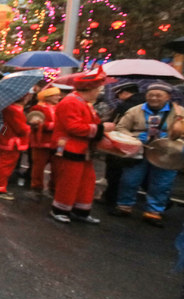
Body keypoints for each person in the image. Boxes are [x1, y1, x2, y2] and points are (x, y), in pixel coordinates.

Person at [113, 82, 183, 227]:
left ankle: (153, 212)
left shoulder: (179, 113)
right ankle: (124, 206)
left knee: (162, 183)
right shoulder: (135, 110)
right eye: (150, 95)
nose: (154, 98)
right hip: (140, 151)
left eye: (158, 95)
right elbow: (121, 128)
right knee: (130, 180)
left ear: (168, 97)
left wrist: (172, 139)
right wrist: (134, 137)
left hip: (167, 154)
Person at [50, 68, 113, 224]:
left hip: (82, 149)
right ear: (90, 89)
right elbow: (73, 127)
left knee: (86, 181)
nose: (99, 92)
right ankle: (60, 209)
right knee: (69, 180)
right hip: (69, 147)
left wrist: (100, 127)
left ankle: (80, 210)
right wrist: (101, 128)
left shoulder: (84, 103)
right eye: (98, 89)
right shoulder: (71, 102)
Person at [101, 82, 145, 206]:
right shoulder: (146, 104)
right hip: (143, 144)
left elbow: (116, 125)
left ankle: (112, 198)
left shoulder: (125, 106)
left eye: (119, 95)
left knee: (115, 172)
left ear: (125, 93)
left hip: (123, 142)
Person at [0, 93, 32, 200]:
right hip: (12, 142)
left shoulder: (5, 107)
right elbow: (21, 129)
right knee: (6, 166)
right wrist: (29, 126)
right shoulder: (14, 110)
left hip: (3, 138)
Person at [28, 86, 61, 196]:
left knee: (57, 166)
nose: (58, 97)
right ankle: (36, 186)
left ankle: (54, 186)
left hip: (58, 143)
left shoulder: (59, 107)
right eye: (56, 95)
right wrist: (54, 126)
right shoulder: (38, 108)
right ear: (48, 96)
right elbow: (36, 123)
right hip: (41, 142)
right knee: (39, 166)